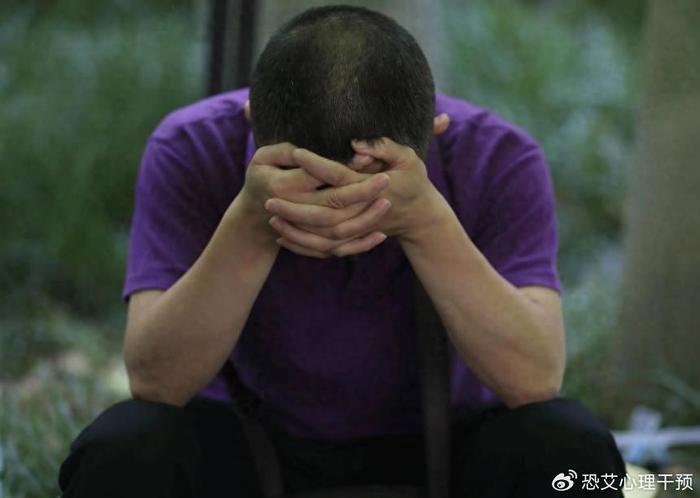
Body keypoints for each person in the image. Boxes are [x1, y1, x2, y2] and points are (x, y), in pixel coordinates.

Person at [58, 5, 626, 498]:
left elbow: (536, 379)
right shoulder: (191, 147)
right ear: (253, 121)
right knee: (122, 450)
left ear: (434, 129)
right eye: (307, 177)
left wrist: (427, 221)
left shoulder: (498, 156)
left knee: (575, 456)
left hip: (452, 440)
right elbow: (154, 382)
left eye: (368, 180)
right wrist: (252, 223)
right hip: (246, 443)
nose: (337, 216)